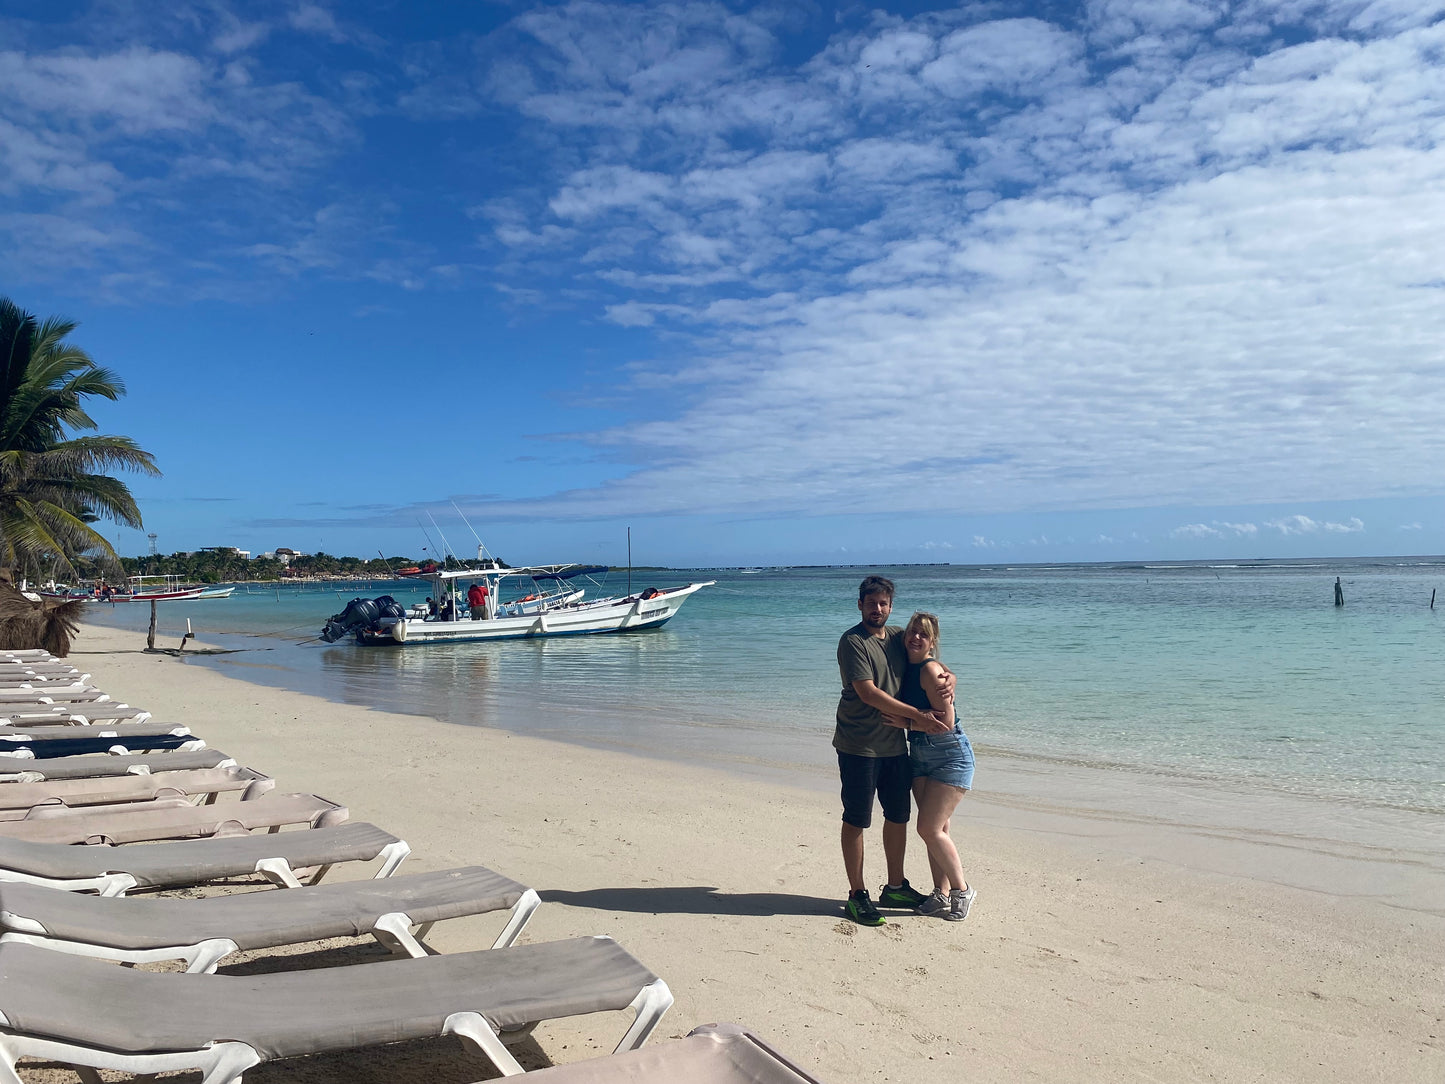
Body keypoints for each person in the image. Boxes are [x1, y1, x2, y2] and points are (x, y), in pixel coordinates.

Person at [834, 575, 955, 926]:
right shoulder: (853, 641)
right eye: (871, 603)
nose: (877, 609)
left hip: (894, 746)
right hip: (858, 744)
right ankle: (857, 894)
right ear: (860, 605)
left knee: (898, 816)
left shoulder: (899, 637)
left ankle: (895, 885)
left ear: (890, 606)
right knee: (857, 818)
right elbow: (868, 693)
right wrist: (919, 716)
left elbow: (927, 656)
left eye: (883, 603)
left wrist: (950, 677)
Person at [887, 611, 976, 921]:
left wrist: (906, 721)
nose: (915, 637)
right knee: (938, 828)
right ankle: (938, 894)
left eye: (923, 634)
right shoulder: (905, 666)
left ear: (932, 642)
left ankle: (961, 890)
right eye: (912, 631)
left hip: (949, 755)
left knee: (928, 827)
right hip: (921, 754)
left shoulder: (930, 670)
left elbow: (946, 723)